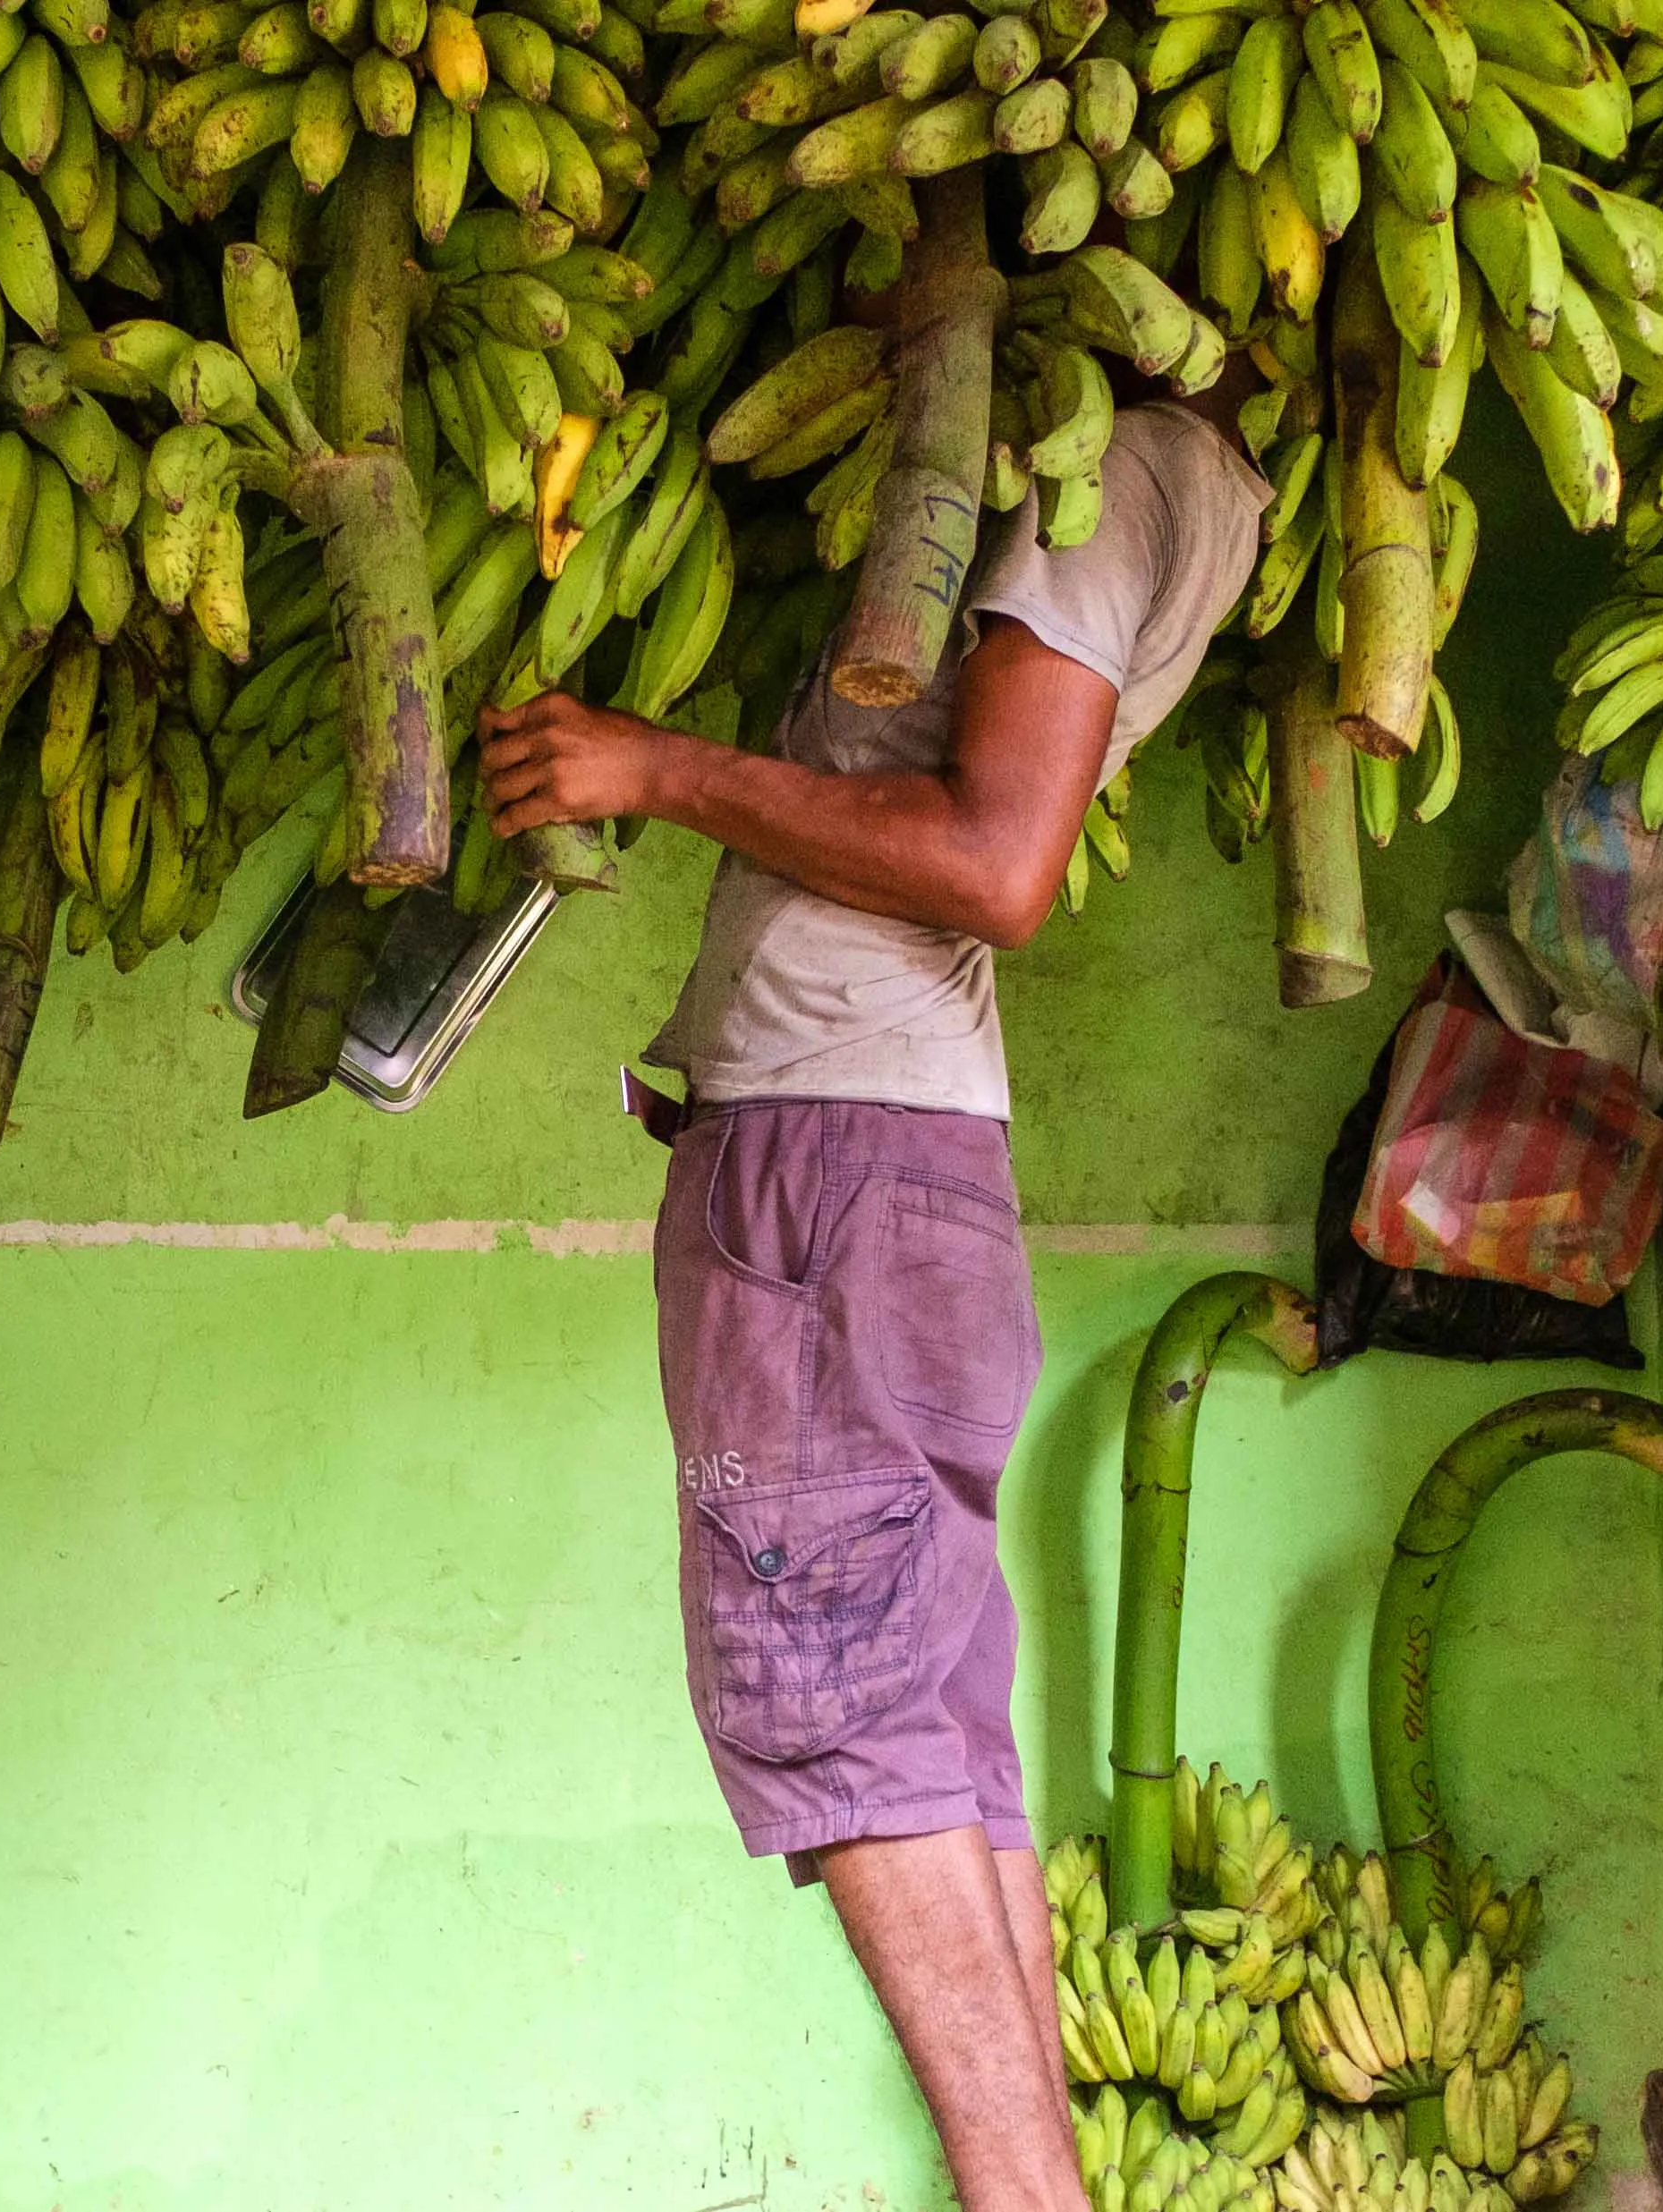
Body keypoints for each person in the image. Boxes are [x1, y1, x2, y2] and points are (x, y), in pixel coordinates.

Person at [477, 372, 1271, 2212]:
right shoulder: (1171, 480)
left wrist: (657, 771)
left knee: (835, 1697)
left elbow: (998, 868)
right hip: (883, 1162)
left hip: (837, 1158)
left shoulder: (1112, 468)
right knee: (919, 1717)